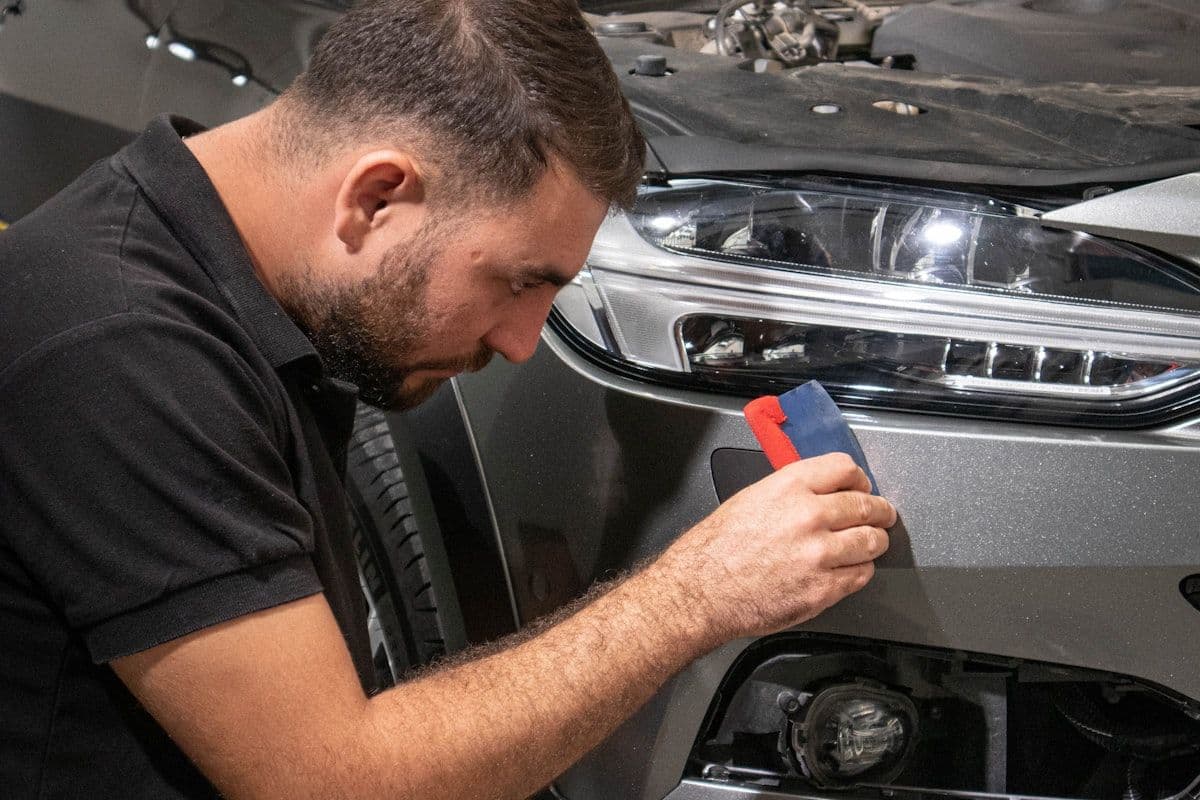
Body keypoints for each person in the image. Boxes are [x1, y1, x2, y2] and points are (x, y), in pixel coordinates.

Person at [0, 1, 896, 797]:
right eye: (519, 281)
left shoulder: (214, 269)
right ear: (376, 197)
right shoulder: (122, 350)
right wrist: (698, 593)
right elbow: (339, 782)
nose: (519, 342)